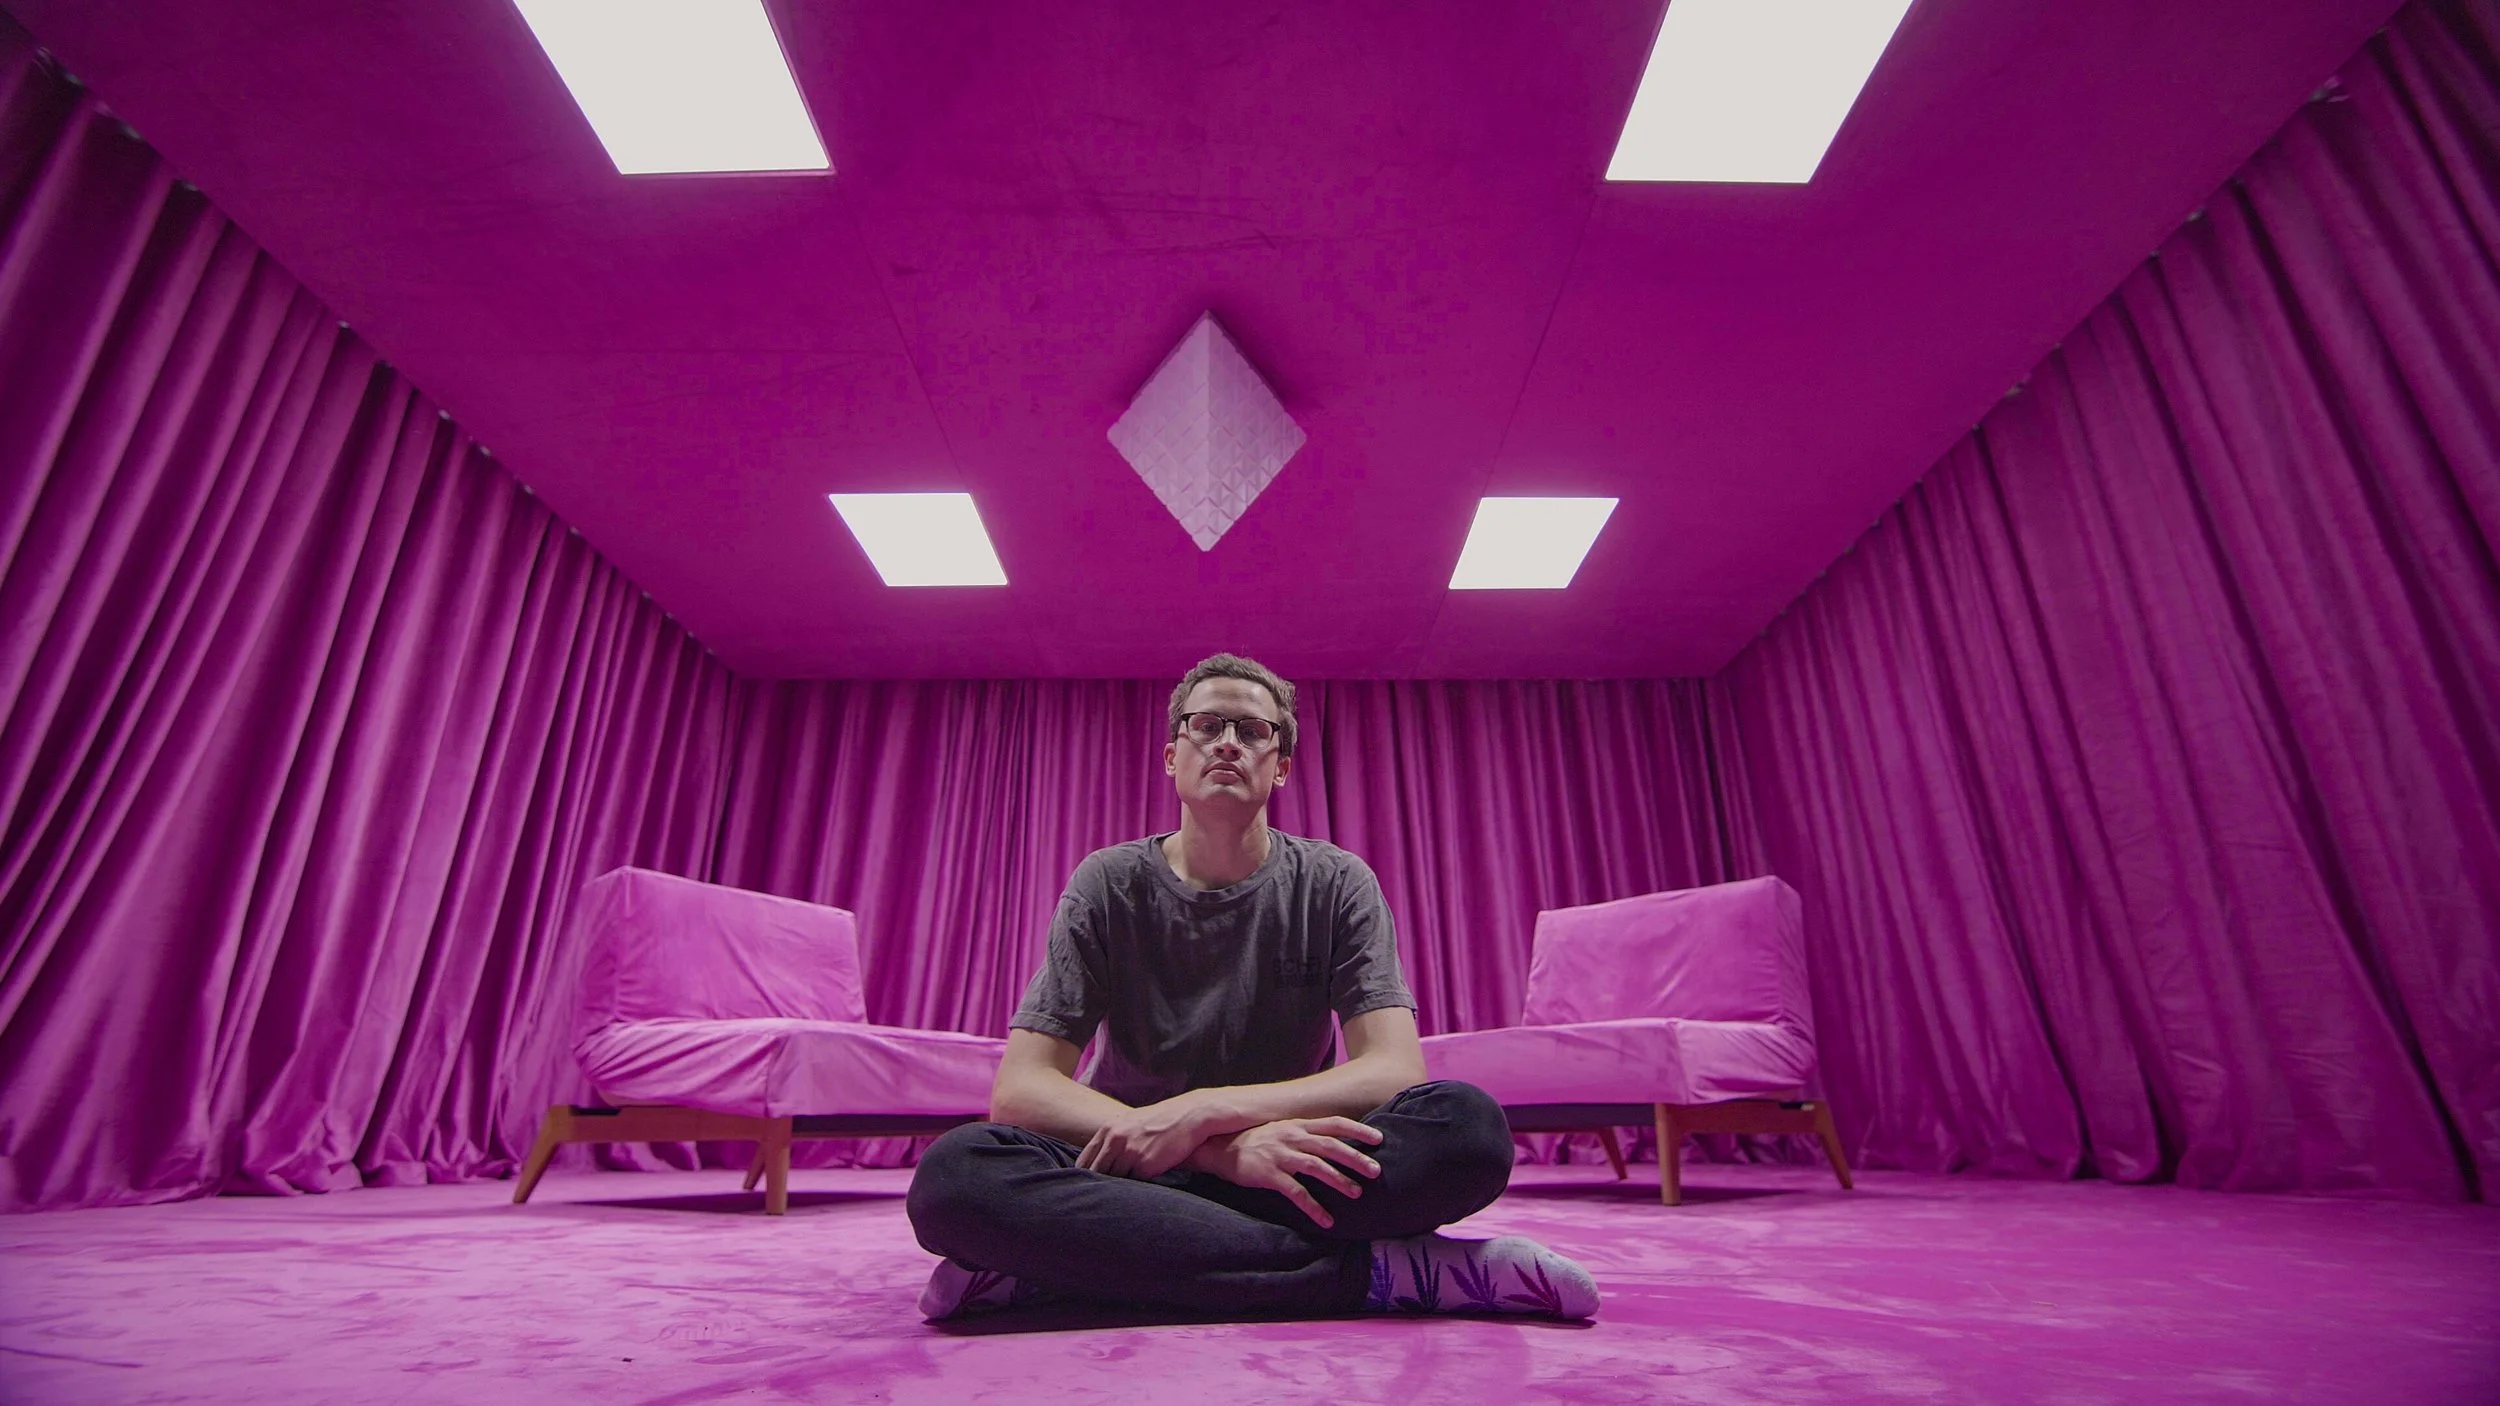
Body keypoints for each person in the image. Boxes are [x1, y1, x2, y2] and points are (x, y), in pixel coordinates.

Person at [906, 654, 1598, 1322]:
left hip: (1289, 1160)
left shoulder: (1335, 881)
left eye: (1253, 730)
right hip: (1132, 1161)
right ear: (1172, 756)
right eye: (1206, 726)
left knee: (1467, 1131)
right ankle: (1375, 1276)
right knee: (957, 1177)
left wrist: (1208, 1112)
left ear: (1281, 766)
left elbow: (1393, 1069)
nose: (1228, 743)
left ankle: (1072, 1266)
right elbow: (1023, 1090)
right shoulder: (1107, 882)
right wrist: (1215, 1153)